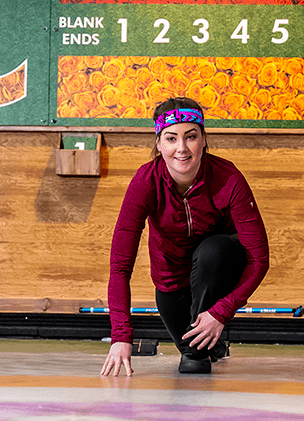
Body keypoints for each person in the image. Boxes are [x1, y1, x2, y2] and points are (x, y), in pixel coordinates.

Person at [100, 97, 270, 376]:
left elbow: (259, 260)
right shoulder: (145, 182)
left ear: (203, 139)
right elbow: (120, 267)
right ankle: (213, 345)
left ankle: (205, 343)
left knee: (194, 358)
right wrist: (121, 336)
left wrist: (221, 312)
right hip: (170, 280)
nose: (181, 149)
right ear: (158, 144)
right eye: (171, 138)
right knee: (195, 345)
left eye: (190, 137)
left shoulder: (228, 178)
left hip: (216, 269)